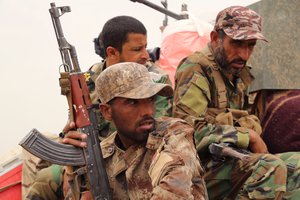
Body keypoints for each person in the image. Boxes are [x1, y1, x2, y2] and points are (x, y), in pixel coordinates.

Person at [23, 16, 173, 199]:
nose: (146, 55)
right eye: (137, 49)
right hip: (89, 157)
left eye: (144, 47)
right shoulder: (86, 84)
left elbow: (154, 130)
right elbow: (74, 125)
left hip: (137, 156)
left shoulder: (155, 80)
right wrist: (69, 158)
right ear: (111, 53)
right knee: (43, 182)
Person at [29, 62, 209, 199]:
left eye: (151, 100)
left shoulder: (174, 134)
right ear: (107, 111)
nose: (148, 111)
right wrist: (73, 169)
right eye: (133, 102)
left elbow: (174, 191)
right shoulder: (102, 155)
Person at [173, 6, 300, 199]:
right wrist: (247, 135)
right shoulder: (196, 69)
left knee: (297, 165)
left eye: (250, 45)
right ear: (216, 38)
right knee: (269, 168)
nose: (244, 54)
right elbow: (185, 133)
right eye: (237, 43)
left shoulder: (238, 72)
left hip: (235, 160)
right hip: (199, 170)